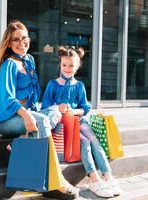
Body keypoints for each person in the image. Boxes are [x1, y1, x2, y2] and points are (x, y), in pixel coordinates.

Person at [0, 20, 79, 199]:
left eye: (24, 38)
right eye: (15, 40)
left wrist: (43, 110)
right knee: (42, 120)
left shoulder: (29, 60)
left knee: (54, 111)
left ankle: (17, 142)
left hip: (24, 113)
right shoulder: (9, 64)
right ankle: (57, 181)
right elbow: (5, 98)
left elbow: (33, 94)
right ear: (9, 42)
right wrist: (27, 115)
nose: (21, 43)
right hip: (2, 117)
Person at [41, 46, 122, 198]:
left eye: (71, 65)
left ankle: (108, 175)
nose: (67, 68)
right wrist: (59, 107)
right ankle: (94, 178)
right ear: (60, 64)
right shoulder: (53, 84)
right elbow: (45, 107)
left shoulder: (79, 86)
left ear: (78, 66)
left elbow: (85, 107)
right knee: (84, 142)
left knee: (94, 140)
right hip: (63, 124)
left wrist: (76, 111)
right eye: (64, 65)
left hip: (78, 119)